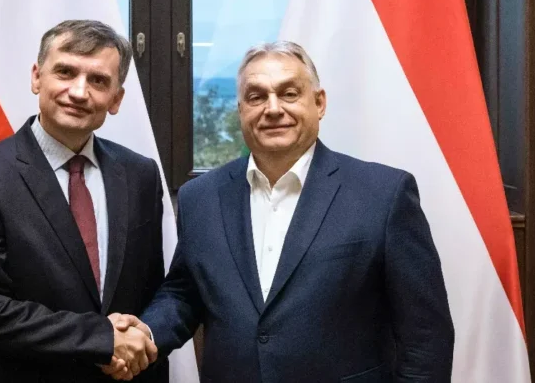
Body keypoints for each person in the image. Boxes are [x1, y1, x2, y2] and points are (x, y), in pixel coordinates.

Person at [114, 41, 454, 382]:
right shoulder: (200, 197)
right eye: (256, 97)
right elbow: (185, 293)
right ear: (240, 110)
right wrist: (145, 333)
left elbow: (426, 336)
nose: (273, 108)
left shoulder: (383, 194)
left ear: (319, 103)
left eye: (289, 94)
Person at [0, 20, 165, 382]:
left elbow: (150, 292)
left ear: (116, 99)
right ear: (37, 77)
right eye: (65, 72)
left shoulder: (140, 175)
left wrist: (135, 347)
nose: (78, 92)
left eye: (98, 80)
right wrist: (100, 339)